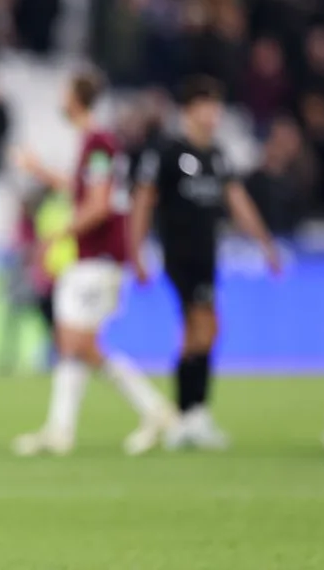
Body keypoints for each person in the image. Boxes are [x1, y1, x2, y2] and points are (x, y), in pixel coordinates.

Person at [11, 73, 174, 457]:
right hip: (93, 258)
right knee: (71, 343)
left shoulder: (99, 143)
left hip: (99, 258)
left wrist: (57, 235)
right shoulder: (96, 143)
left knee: (78, 343)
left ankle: (154, 410)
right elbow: (83, 191)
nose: (60, 100)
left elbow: (98, 205)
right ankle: (60, 431)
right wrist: (40, 170)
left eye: (65, 93)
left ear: (77, 98)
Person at [130, 76, 280, 451]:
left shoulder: (216, 155)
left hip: (207, 256)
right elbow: (143, 201)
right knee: (204, 326)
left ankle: (188, 416)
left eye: (216, 107)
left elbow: (238, 201)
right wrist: (135, 251)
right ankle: (190, 415)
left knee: (200, 332)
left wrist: (265, 242)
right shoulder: (167, 152)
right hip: (180, 255)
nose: (213, 115)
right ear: (189, 110)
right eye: (206, 107)